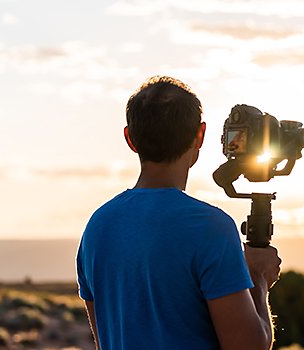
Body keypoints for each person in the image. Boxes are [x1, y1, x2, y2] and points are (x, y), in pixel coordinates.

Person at [76, 76, 282, 349]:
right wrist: (258, 277)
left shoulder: (97, 227)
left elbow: (107, 339)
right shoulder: (211, 229)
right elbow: (249, 346)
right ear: (200, 135)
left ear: (130, 139)